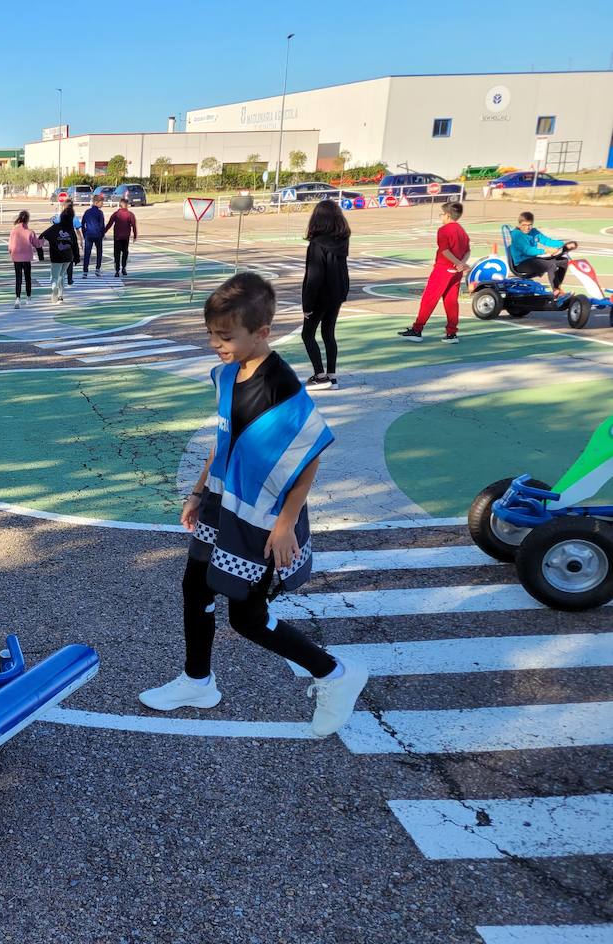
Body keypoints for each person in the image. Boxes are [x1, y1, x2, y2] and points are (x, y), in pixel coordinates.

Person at [138, 272, 368, 738]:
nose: (214, 344)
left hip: (263, 520)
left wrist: (285, 525)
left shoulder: (281, 384)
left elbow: (308, 456)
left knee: (248, 617)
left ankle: (336, 676)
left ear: (261, 332)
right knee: (196, 587)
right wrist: (199, 490)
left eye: (225, 336)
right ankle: (197, 682)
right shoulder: (229, 373)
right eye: (210, 334)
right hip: (223, 504)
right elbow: (224, 438)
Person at [399, 201, 469, 343]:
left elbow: (445, 251)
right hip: (456, 271)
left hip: (443, 269)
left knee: (429, 299)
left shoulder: (444, 230)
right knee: (451, 301)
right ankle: (452, 333)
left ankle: (417, 330)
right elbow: (467, 251)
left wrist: (456, 262)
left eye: (442, 214)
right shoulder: (462, 230)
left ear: (448, 215)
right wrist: (461, 263)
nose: (441, 216)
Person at [300, 199, 351, 390]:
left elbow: (314, 276)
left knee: (308, 334)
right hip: (337, 293)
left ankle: (320, 376)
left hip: (320, 295)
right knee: (328, 333)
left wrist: (307, 304)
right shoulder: (342, 241)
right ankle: (332, 375)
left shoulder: (317, 244)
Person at [510, 210, 576, 294]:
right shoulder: (517, 235)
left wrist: (563, 245)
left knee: (563, 261)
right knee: (551, 265)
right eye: (524, 225)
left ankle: (558, 287)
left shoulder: (534, 232)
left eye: (529, 225)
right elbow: (527, 251)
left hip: (533, 260)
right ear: (519, 225)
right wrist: (546, 250)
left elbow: (547, 241)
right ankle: (556, 291)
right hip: (521, 264)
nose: (527, 228)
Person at [38, 205, 80, 302]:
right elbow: (75, 245)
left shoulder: (54, 228)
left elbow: (41, 237)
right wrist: (76, 257)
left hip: (56, 256)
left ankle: (54, 289)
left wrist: (41, 254)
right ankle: (60, 296)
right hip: (68, 257)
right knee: (62, 275)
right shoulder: (71, 230)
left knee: (54, 276)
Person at [8, 211, 43, 308]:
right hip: (26, 258)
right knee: (28, 278)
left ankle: (17, 299)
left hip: (16, 257)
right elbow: (36, 244)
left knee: (18, 279)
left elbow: (10, 245)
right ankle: (28, 298)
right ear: (27, 219)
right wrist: (43, 240)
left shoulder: (14, 231)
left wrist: (11, 252)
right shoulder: (30, 232)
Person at [105, 197, 137, 277]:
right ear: (127, 205)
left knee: (117, 253)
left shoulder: (116, 214)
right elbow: (134, 226)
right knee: (125, 252)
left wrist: (103, 232)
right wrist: (135, 235)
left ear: (120, 205)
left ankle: (117, 270)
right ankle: (124, 268)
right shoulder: (130, 214)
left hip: (117, 237)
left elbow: (109, 224)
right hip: (126, 237)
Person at [79, 195, 107, 278]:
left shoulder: (87, 212)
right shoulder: (100, 213)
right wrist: (102, 234)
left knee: (87, 253)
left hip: (88, 235)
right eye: (101, 203)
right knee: (99, 252)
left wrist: (84, 233)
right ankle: (97, 269)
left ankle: (85, 271)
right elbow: (102, 225)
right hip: (97, 235)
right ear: (96, 202)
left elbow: (82, 224)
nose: (102, 204)